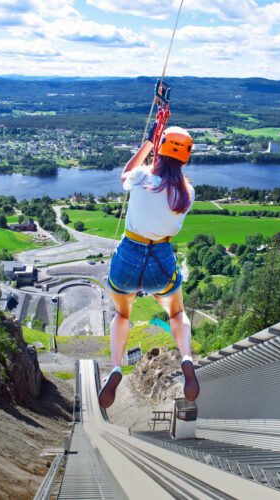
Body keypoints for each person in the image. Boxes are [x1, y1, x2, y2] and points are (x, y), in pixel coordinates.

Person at [98, 124, 199, 409]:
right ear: (185, 158)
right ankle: (186, 358)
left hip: (128, 257)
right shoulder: (187, 194)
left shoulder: (141, 176)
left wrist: (147, 143)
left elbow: (125, 174)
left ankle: (116, 367)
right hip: (161, 261)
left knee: (121, 314)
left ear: (161, 149)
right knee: (176, 312)